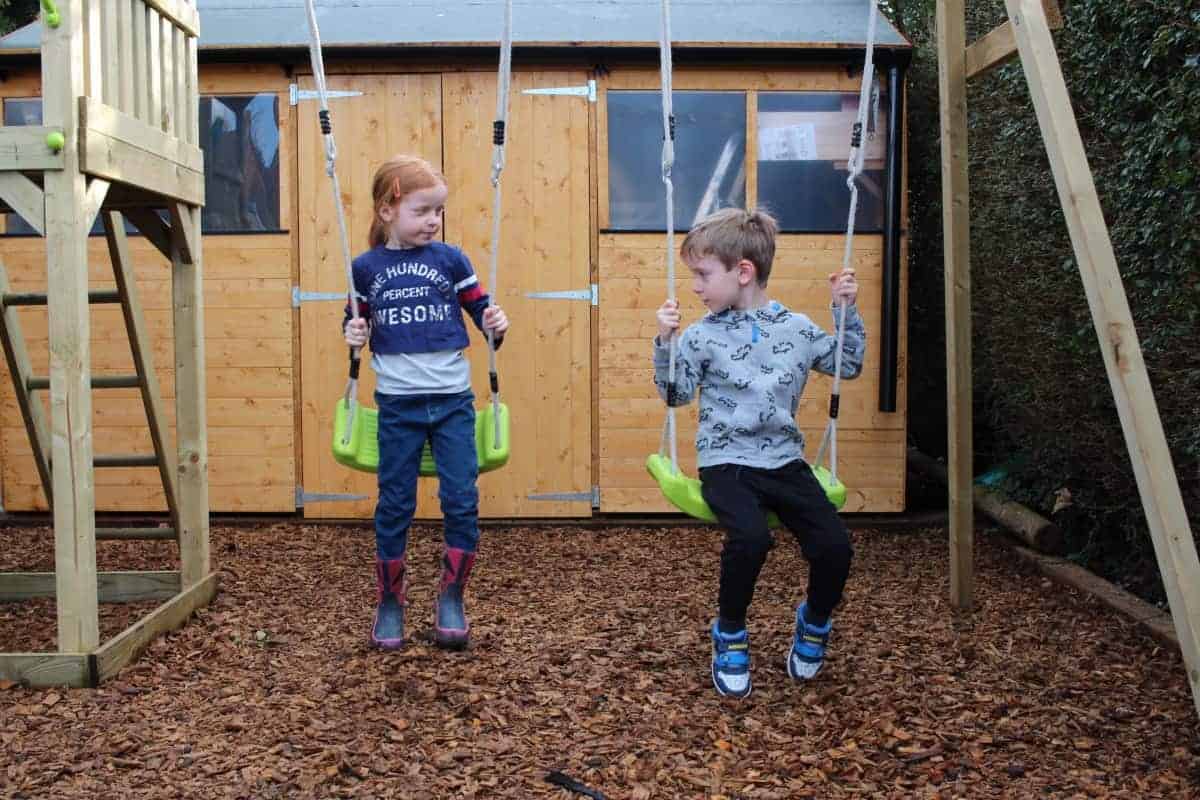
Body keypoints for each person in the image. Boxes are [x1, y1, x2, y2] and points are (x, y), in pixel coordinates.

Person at [652, 207, 864, 698]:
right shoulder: (702, 335)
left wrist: (845, 311)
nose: (697, 288)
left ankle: (814, 620)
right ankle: (729, 632)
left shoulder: (796, 328)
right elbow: (675, 394)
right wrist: (665, 342)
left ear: (742, 272)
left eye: (703, 275)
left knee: (835, 547)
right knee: (750, 539)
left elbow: (847, 364)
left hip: (785, 462)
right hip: (726, 463)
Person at [344, 154, 509, 651]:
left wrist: (495, 325)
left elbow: (481, 312)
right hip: (397, 407)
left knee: (462, 500)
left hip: (453, 403)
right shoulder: (366, 268)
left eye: (438, 211)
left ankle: (452, 596)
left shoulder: (451, 260)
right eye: (422, 210)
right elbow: (355, 325)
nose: (433, 221)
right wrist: (353, 331)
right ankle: (390, 602)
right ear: (387, 210)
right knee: (395, 504)